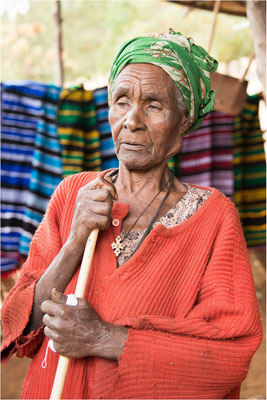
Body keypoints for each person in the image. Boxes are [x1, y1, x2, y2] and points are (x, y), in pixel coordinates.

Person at [1, 30, 262, 400]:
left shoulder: (213, 218)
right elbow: (20, 323)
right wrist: (76, 240)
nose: (132, 120)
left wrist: (104, 337)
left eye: (154, 105)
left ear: (183, 120)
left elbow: (229, 355)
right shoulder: (72, 194)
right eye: (121, 101)